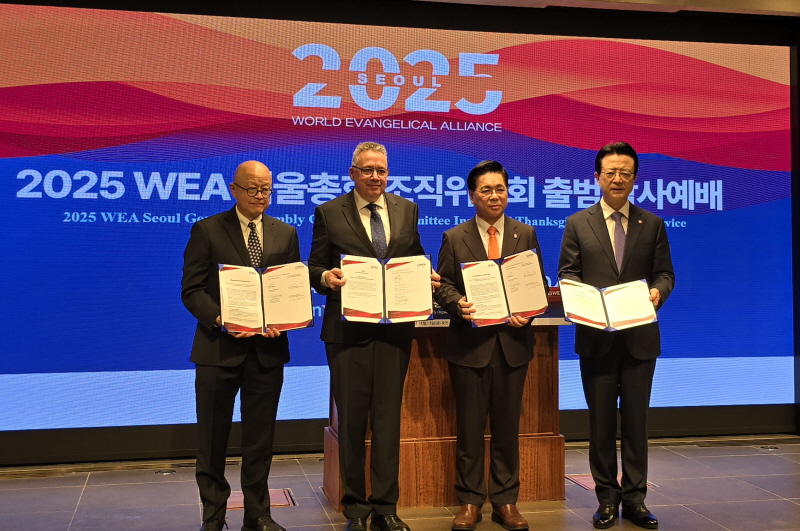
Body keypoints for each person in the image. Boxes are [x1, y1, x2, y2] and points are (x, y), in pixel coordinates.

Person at [308, 142, 439, 531]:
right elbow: (314, 266)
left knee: (387, 421)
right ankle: (356, 509)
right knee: (351, 423)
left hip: (394, 331)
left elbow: (414, 255)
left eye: (381, 170)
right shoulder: (329, 212)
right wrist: (325, 277)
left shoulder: (406, 209)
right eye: (367, 170)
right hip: (347, 334)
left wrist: (425, 275)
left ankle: (386, 507)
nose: (375, 177)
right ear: (353, 173)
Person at [558, 142, 674, 530]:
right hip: (597, 339)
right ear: (597, 177)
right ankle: (606, 499)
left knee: (637, 423)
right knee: (602, 423)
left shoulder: (651, 224)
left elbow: (665, 274)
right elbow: (568, 275)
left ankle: (636, 500)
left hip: (640, 338)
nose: (618, 178)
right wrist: (584, 302)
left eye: (625, 172)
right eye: (611, 172)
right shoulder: (578, 223)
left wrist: (657, 292)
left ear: (634, 178)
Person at [182, 161, 300, 531]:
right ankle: (214, 515)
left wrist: (283, 318)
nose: (260, 196)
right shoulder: (207, 230)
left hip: (267, 353)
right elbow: (192, 291)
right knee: (212, 439)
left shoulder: (286, 233)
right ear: (233, 189)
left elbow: (288, 289)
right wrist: (221, 319)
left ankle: (258, 514)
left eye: (266, 189)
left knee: (260, 441)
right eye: (252, 189)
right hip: (218, 350)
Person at [434, 160, 546, 531]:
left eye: (500, 189)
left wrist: (527, 312)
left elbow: (535, 285)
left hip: (513, 344)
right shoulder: (455, 237)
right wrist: (458, 304)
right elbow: (444, 285)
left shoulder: (525, 233)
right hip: (470, 346)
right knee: (469, 429)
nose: (494, 196)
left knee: (506, 428)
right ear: (472, 195)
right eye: (486, 190)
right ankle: (469, 501)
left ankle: (506, 501)